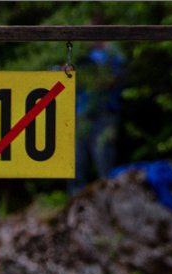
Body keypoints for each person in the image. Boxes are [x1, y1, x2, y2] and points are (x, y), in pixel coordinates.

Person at [69, 31, 126, 196]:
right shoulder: (81, 56)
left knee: (103, 158)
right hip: (81, 114)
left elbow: (113, 79)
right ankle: (75, 201)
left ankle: (108, 199)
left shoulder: (112, 55)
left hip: (105, 113)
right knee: (76, 161)